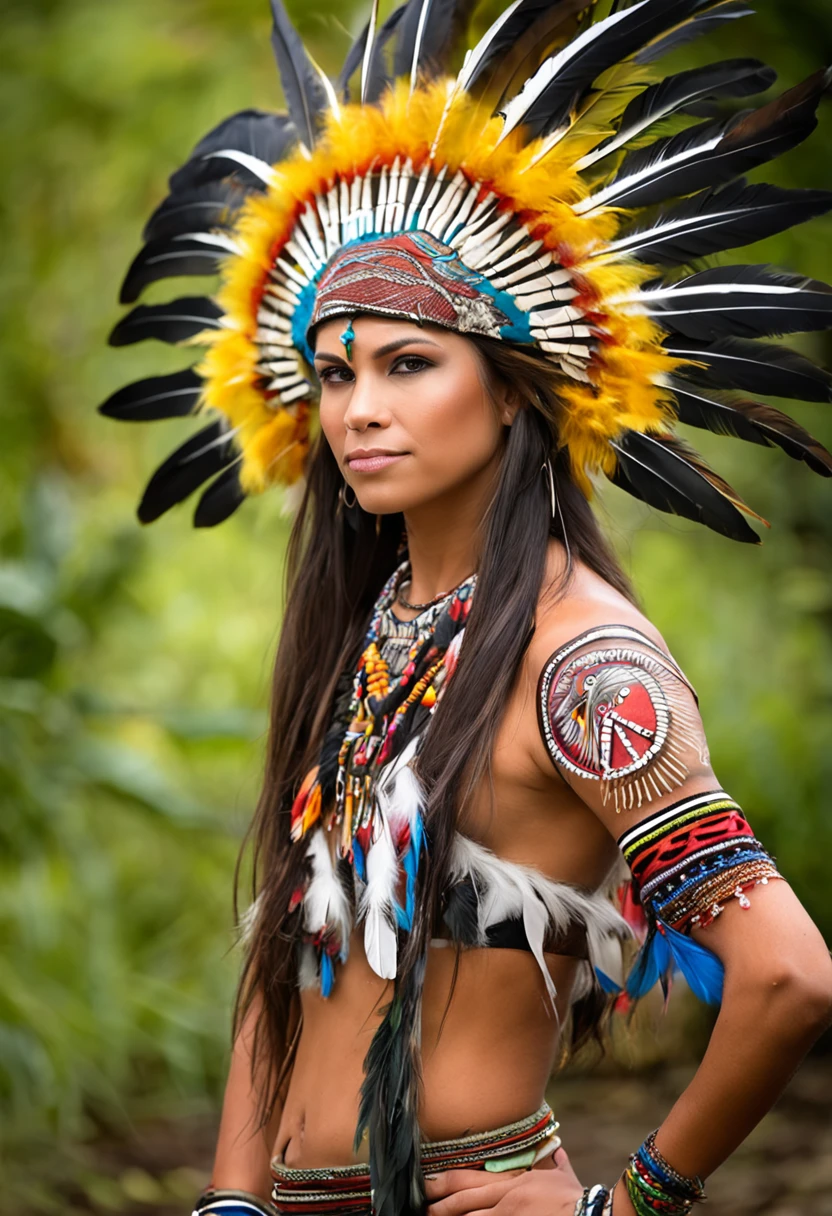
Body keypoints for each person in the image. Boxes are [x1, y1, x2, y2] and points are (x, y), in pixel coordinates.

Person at [101, 1, 832, 1213]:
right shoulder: (379, 625)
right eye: (336, 373)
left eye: (408, 363)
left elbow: (787, 976)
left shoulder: (585, 666)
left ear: (509, 392)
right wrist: (231, 1198)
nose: (358, 411)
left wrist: (631, 1204)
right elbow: (289, 952)